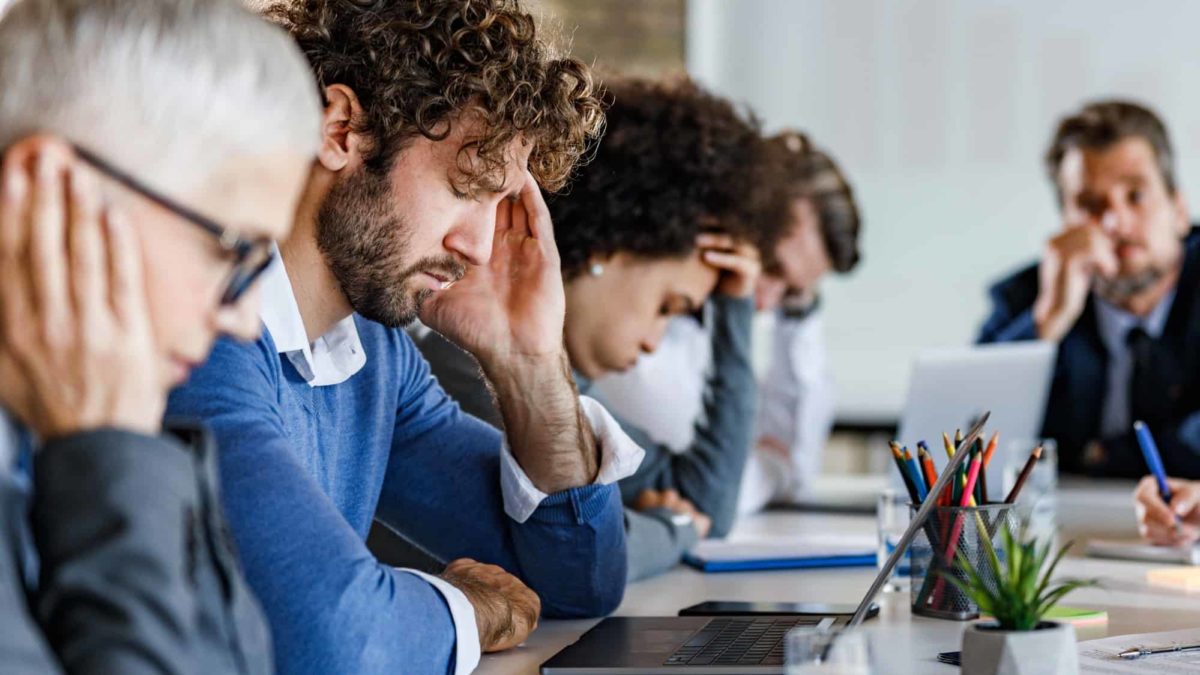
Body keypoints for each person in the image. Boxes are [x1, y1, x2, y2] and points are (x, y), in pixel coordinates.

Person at [165, 1, 638, 673]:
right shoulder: (201, 332)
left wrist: (529, 363)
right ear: (342, 129)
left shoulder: (374, 356)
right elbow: (336, 636)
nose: (477, 247)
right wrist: (468, 606)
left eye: (500, 207)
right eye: (463, 187)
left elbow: (580, 580)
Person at [0, 0, 322, 671]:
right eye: (232, 251)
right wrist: (109, 463)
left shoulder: (74, 429)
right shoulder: (97, 447)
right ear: (52, 186)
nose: (242, 317)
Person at [414, 75, 771, 578]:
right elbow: (588, 561)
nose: (653, 341)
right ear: (610, 247)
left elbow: (706, 502)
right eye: (666, 306)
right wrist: (671, 528)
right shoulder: (476, 361)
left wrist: (735, 307)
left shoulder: (574, 389)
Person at [593, 130, 862, 514]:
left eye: (790, 293)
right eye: (769, 267)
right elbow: (718, 490)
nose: (767, 302)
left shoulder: (715, 322)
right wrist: (771, 467)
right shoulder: (635, 326)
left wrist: (801, 313)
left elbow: (801, 466)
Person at [978, 100, 1200, 478]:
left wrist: (1103, 457)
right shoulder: (1026, 298)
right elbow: (967, 437)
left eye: (1136, 196)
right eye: (1090, 205)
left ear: (1179, 210)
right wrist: (1045, 325)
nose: (1115, 222)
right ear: (1065, 222)